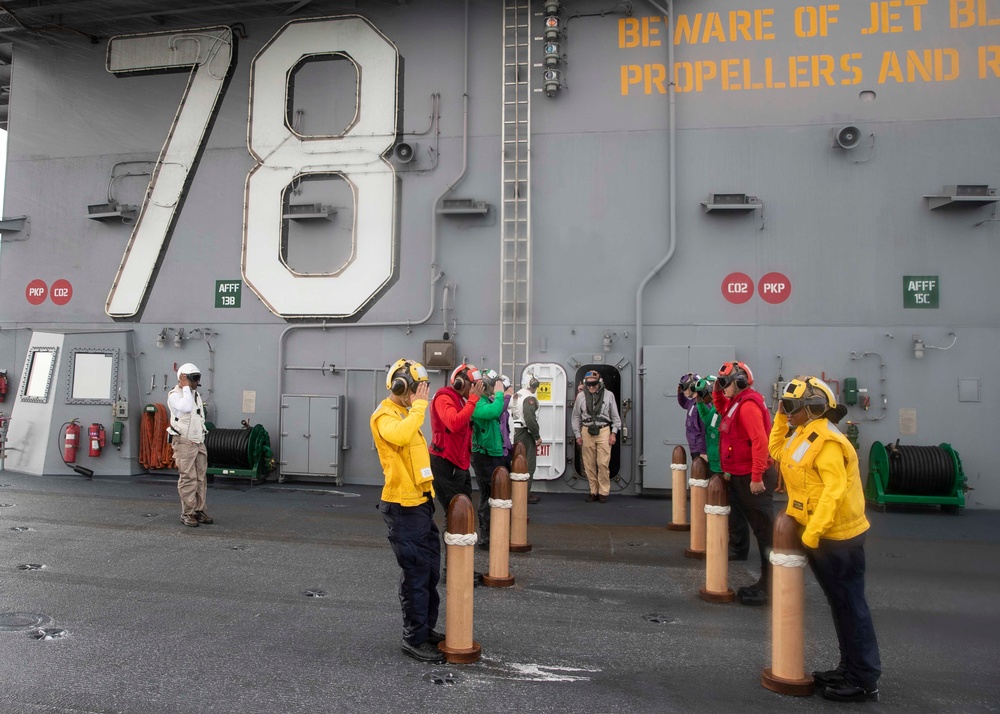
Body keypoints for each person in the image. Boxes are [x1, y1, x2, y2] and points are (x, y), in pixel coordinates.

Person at [769, 376, 881, 702]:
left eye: (791, 407)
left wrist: (813, 534)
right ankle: (848, 668)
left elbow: (835, 491)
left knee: (852, 607)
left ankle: (863, 679)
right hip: (819, 536)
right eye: (785, 406)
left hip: (837, 540)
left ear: (813, 408)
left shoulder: (829, 443)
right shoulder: (804, 433)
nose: (787, 412)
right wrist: (779, 416)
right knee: (840, 606)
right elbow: (776, 449)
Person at [370, 358, 445, 663]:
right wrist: (419, 407)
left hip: (420, 502)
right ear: (400, 387)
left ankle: (425, 629)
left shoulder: (405, 412)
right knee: (415, 573)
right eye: (414, 390)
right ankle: (413, 638)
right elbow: (400, 436)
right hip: (402, 506)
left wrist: (414, 408)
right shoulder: (384, 416)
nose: (419, 395)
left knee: (429, 572)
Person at [713, 360, 775, 605]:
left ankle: (770, 585)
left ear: (739, 382)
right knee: (754, 527)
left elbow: (760, 442)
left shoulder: (747, 406)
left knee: (765, 534)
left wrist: (757, 476)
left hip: (751, 478)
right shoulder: (735, 403)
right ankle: (764, 578)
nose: (722, 387)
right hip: (739, 476)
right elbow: (720, 407)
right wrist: (718, 388)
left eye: (725, 382)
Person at [429, 363, 485, 514]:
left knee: (464, 511)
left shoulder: (460, 399)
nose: (476, 390)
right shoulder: (444, 398)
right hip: (445, 463)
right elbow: (454, 423)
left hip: (458, 464)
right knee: (455, 513)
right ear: (461, 383)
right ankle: (452, 538)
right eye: (473, 385)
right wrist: (473, 400)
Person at [167, 363, 212, 528]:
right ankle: (187, 513)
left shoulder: (195, 395)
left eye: (197, 378)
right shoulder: (176, 395)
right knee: (188, 478)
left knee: (201, 477)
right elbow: (185, 408)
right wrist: (185, 386)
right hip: (184, 441)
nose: (196, 382)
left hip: (198, 441)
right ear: (183, 378)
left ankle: (199, 510)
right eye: (193, 378)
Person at [471, 370, 510, 548]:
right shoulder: (478, 403)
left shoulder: (486, 401)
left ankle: (494, 531)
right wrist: (501, 393)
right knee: (487, 496)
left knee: (495, 495)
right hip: (483, 456)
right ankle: (486, 537)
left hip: (493, 454)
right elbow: (494, 412)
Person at [571, 370, 621, 503]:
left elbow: (615, 416)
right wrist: (577, 434)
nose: (591, 387)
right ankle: (593, 491)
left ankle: (603, 491)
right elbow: (576, 416)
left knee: (603, 463)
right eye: (589, 385)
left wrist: (614, 433)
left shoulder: (609, 395)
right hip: (586, 430)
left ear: (600, 382)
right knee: (589, 463)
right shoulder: (581, 396)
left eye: (594, 384)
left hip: (603, 429)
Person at [510, 375, 541, 503]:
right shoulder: (529, 398)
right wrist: (537, 436)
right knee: (528, 464)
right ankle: (525, 494)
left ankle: (518, 492)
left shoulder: (517, 395)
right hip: (525, 433)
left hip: (515, 431)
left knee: (517, 462)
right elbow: (530, 420)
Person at [694, 376, 721, 476]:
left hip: (720, 465)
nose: (700, 396)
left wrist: (728, 472)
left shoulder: (720, 409)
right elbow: (707, 420)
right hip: (713, 461)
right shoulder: (714, 409)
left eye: (701, 393)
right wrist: (700, 403)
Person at [677, 372, 707, 461]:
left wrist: (704, 452)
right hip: (694, 448)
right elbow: (684, 403)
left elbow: (705, 429)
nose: (684, 390)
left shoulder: (701, 405)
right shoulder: (692, 403)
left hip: (699, 450)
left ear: (693, 386)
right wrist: (680, 393)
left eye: (684, 387)